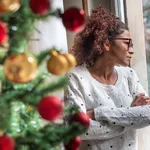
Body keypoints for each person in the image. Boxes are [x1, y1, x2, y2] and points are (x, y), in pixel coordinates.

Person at [64, 5, 150, 150]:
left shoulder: (129, 75)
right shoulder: (76, 78)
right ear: (107, 44)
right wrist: (130, 115)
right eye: (126, 43)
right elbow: (78, 129)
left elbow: (147, 115)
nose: (132, 50)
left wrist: (99, 113)